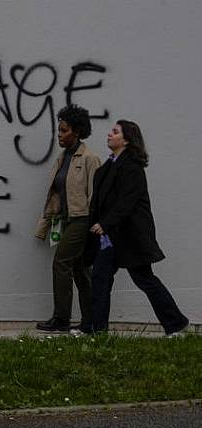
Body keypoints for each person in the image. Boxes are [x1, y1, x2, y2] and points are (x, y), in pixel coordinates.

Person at [86, 119, 189, 336]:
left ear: (126, 139)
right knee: (100, 278)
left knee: (145, 279)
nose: (109, 134)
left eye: (115, 132)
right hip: (110, 237)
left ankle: (176, 323)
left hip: (129, 236)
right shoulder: (108, 167)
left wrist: (104, 223)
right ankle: (97, 329)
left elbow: (126, 202)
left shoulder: (132, 167)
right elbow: (99, 201)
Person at [34, 105, 102, 332]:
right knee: (80, 270)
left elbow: (95, 195)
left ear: (78, 131)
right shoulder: (63, 158)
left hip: (81, 219)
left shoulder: (90, 158)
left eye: (64, 131)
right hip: (64, 219)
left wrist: (95, 226)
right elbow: (55, 193)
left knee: (61, 263)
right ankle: (91, 321)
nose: (59, 135)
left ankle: (61, 318)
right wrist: (46, 223)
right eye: (59, 130)